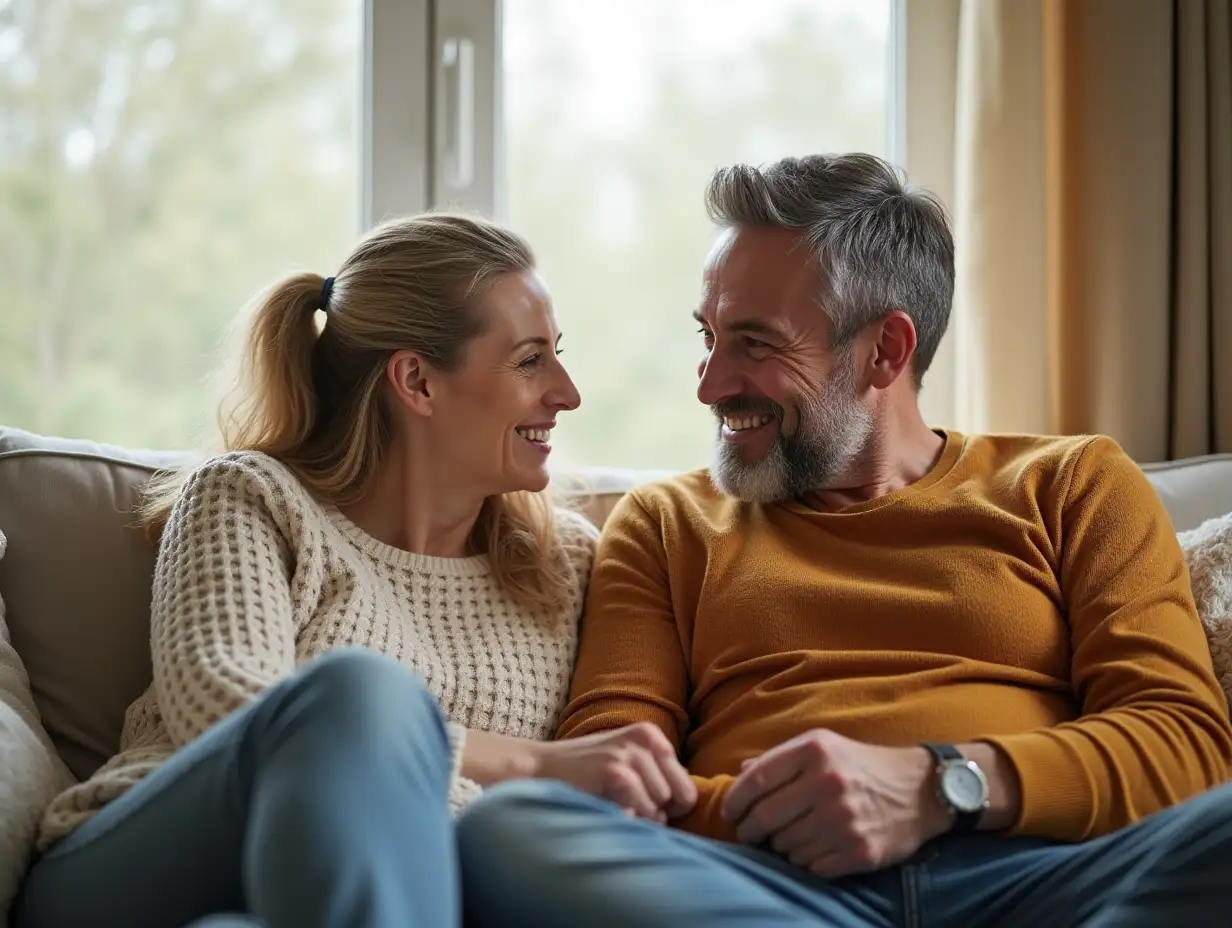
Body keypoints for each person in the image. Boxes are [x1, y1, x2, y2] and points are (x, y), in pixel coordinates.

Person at [456, 154, 1232, 927]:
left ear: (885, 350)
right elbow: (610, 776)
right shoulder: (666, 523)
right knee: (511, 833)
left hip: (1044, 881)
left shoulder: (1073, 482)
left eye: (755, 344)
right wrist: (802, 815)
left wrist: (937, 787)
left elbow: (1186, 743)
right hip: (768, 886)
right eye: (709, 335)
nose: (709, 384)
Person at [14, 213, 696, 928]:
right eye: (530, 361)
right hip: (146, 868)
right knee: (357, 694)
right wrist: (530, 766)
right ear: (417, 381)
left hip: (362, 901)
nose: (567, 392)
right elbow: (227, 714)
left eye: (557, 355)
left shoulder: (570, 565)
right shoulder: (252, 497)